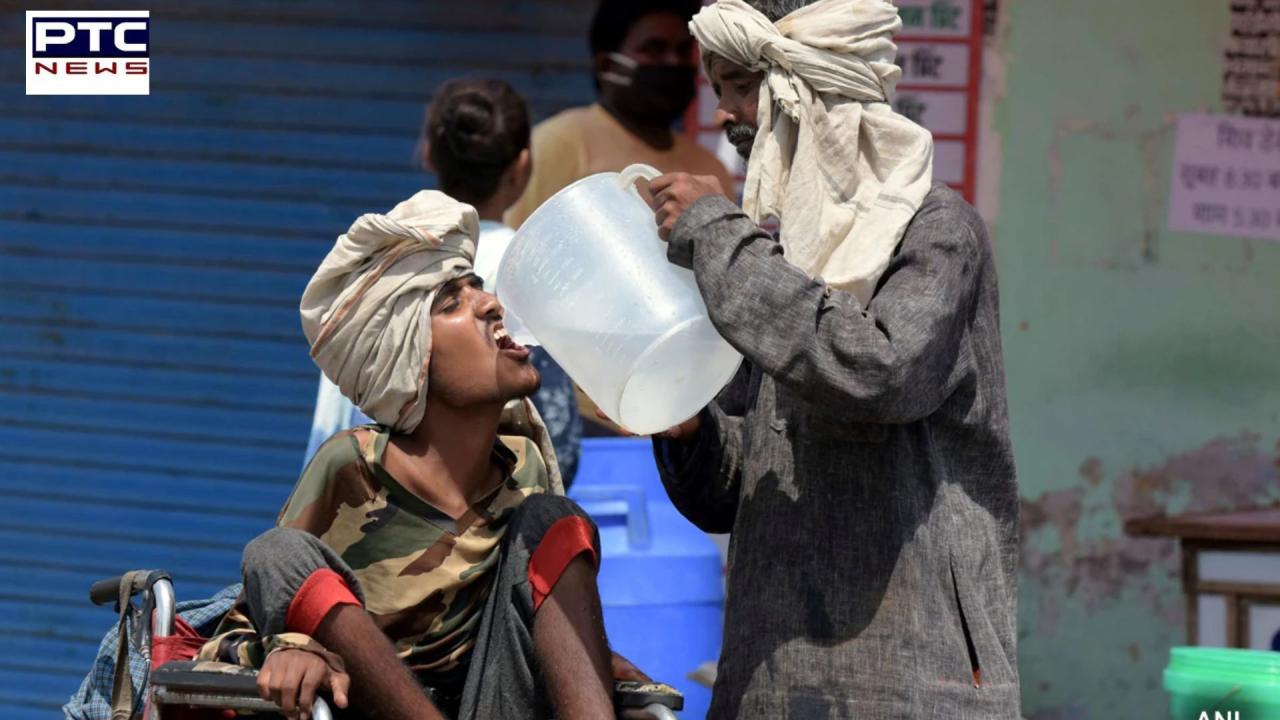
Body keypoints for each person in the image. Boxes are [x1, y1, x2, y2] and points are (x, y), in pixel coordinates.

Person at [633, 0, 1021, 716]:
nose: (726, 116)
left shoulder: (937, 233)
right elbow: (733, 492)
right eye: (716, 91)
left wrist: (720, 239)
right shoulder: (768, 256)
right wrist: (682, 420)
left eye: (740, 85)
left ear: (808, 83)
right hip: (773, 679)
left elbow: (876, 373)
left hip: (911, 679)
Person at [199, 191, 646, 720]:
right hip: (365, 707)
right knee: (276, 551)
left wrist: (586, 660)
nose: (491, 304)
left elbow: (519, 626)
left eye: (478, 288)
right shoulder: (353, 467)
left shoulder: (524, 471)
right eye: (452, 302)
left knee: (555, 520)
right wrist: (294, 647)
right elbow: (244, 625)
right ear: (413, 361)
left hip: (489, 705)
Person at [305, 79, 582, 486]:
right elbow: (558, 441)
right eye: (452, 302)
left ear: (429, 154)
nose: (485, 304)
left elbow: (331, 426)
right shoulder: (540, 273)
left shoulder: (381, 268)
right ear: (523, 165)